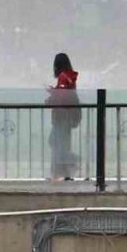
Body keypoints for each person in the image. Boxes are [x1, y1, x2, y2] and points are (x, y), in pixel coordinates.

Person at [47, 53, 80, 181]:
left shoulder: (62, 77)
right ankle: (65, 172)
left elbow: (61, 97)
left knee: (55, 143)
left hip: (60, 115)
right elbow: (66, 94)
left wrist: (51, 97)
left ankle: (61, 171)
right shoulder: (70, 77)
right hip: (68, 114)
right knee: (61, 143)